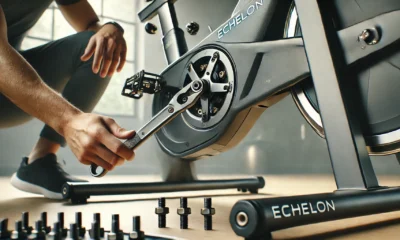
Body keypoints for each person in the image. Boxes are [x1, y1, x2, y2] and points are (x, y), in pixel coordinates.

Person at [0, 0, 136, 199]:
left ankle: (39, 162)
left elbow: (90, 25)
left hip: (11, 97)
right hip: (7, 75)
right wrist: (69, 121)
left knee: (98, 45)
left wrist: (111, 28)